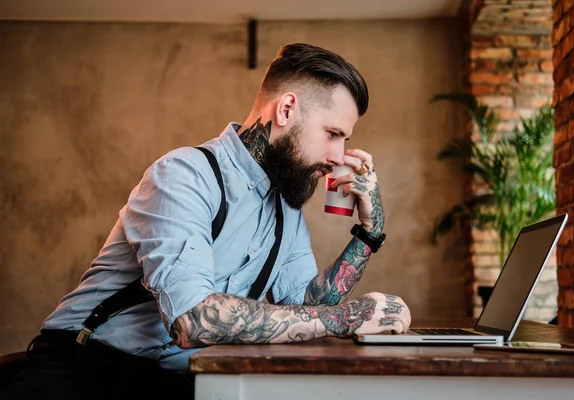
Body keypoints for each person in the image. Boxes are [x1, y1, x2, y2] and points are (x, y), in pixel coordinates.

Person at [3, 43, 411, 399]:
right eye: (333, 133)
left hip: (175, 379)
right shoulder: (184, 175)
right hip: (83, 367)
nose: (340, 155)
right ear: (287, 109)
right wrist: (347, 318)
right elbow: (192, 319)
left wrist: (368, 234)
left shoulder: (285, 205)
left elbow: (304, 309)